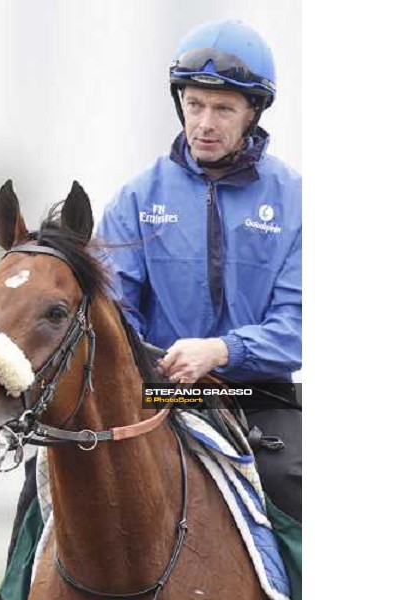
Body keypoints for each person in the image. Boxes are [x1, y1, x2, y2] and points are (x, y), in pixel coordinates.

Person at [96, 19, 302, 524]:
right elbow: (111, 313)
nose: (205, 122)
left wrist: (223, 351)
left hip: (255, 398)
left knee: (300, 485)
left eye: (223, 108)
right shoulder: (136, 198)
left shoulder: (297, 202)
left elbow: (300, 326)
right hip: (156, 394)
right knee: (44, 485)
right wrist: (149, 363)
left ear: (253, 112)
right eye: (195, 105)